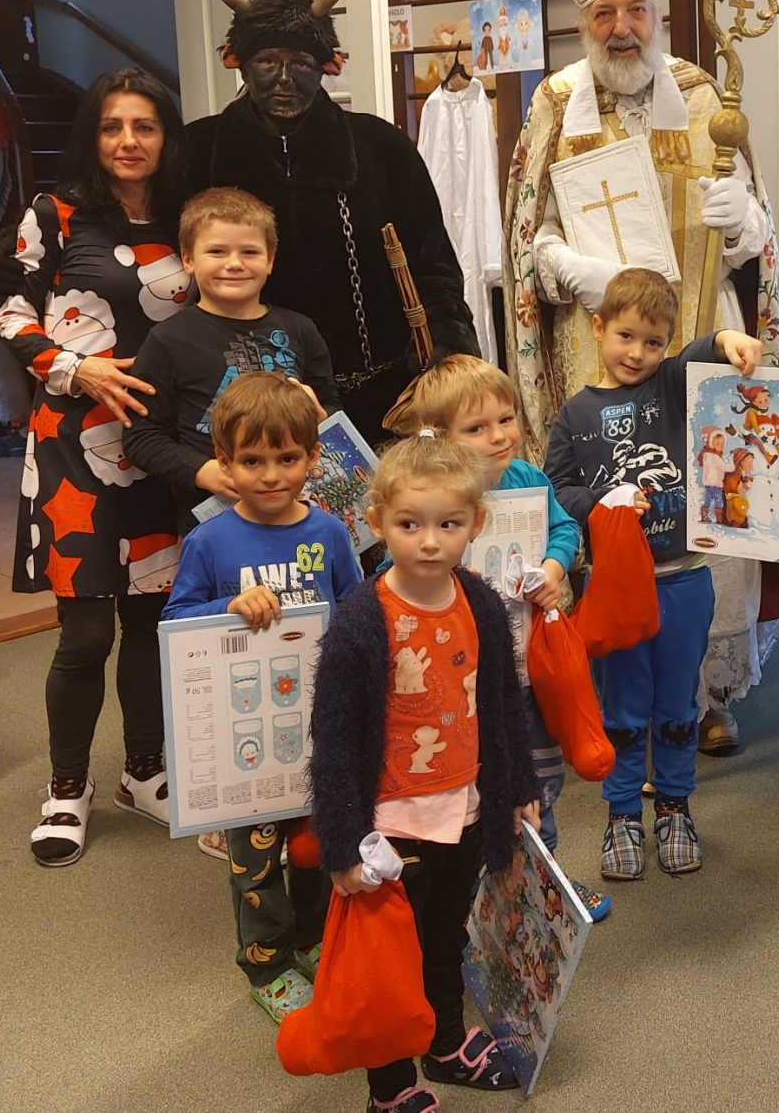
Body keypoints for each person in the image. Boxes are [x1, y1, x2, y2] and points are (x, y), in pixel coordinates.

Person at [505, 0, 779, 751]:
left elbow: (754, 245)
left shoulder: (703, 98)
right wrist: (572, 270)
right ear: (582, 22)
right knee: (619, 499)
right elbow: (528, 235)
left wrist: (744, 224)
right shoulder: (554, 104)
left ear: (658, 15)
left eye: (636, 11)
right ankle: (617, 672)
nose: (622, 28)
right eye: (604, 14)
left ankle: (708, 693)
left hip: (700, 333)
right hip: (600, 346)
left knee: (709, 502)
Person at [0, 68, 192, 867]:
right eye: (113, 126)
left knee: (149, 621)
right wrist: (79, 369)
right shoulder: (55, 213)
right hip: (72, 444)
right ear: (93, 136)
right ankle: (66, 788)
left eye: (145, 126)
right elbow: (12, 313)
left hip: (160, 447)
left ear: (166, 136)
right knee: (83, 635)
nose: (128, 141)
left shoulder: (187, 216)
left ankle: (143, 772)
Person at [310, 434, 538, 1104]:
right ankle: (390, 1088)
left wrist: (517, 785)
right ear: (377, 522)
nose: (431, 542)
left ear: (475, 524)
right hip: (388, 825)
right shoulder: (362, 618)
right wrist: (341, 844)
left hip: (463, 808)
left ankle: (445, 1045)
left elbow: (503, 702)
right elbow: (334, 740)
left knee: (446, 938)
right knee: (391, 961)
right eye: (410, 525)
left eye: (449, 525)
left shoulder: (481, 603)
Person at [543, 269, 763, 880]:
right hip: (615, 586)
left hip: (684, 579)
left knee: (677, 703)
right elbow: (556, 489)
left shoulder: (671, 383)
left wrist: (728, 339)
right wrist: (605, 503)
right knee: (622, 707)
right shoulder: (575, 413)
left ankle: (673, 806)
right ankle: (621, 814)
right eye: (626, 336)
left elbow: (701, 352)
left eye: (653, 342)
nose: (637, 353)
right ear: (597, 328)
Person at [193, 0, 477, 435]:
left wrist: (446, 341)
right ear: (239, 63)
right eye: (267, 61)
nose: (284, 78)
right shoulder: (197, 149)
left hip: (386, 396)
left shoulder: (379, 146)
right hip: (252, 402)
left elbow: (433, 263)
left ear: (327, 66)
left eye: (301, 63)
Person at [382, 353, 611, 923]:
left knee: (538, 782)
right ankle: (482, 894)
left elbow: (564, 527)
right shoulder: (431, 499)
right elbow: (395, 572)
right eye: (477, 428)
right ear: (442, 439)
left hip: (528, 667)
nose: (499, 436)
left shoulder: (528, 479)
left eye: (506, 419)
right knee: (477, 789)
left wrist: (554, 568)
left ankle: (544, 884)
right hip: (461, 683)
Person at [162, 373, 362, 1021]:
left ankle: (311, 940)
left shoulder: (330, 533)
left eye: (288, 458)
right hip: (245, 734)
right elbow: (176, 620)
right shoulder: (209, 541)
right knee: (255, 860)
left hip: (320, 725)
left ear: (313, 457)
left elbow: (355, 609)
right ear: (224, 463)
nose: (272, 475)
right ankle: (267, 963)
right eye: (252, 461)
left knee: (318, 844)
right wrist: (227, 607)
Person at [125, 187, 337, 529]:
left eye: (250, 252)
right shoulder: (167, 340)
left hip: (300, 513)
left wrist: (321, 419)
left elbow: (330, 406)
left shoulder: (301, 329)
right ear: (188, 259)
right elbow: (141, 437)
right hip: (215, 521)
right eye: (217, 251)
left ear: (270, 260)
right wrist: (202, 471)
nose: (234, 264)